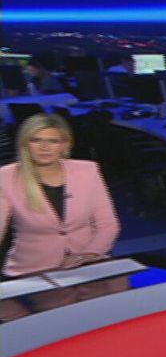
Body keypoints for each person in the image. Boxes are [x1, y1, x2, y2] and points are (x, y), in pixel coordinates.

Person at [0, 113, 120, 277]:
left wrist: (91, 253)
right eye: (36, 140)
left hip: (89, 265)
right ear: (25, 144)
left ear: (65, 144)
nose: (44, 147)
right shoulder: (6, 177)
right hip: (32, 271)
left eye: (53, 141)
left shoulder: (87, 170)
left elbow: (107, 224)